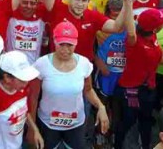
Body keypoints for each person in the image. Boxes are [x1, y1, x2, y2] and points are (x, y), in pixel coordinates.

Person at [29, 21, 110, 149]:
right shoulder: (41, 64)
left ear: (76, 43)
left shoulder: (84, 64)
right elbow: (33, 97)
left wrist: (100, 106)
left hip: (76, 125)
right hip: (48, 124)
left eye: (70, 45)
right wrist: (32, 128)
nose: (65, 50)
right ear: (54, 41)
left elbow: (88, 90)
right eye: (61, 44)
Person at [114, 8, 163, 149]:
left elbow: (157, 56)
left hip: (148, 88)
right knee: (128, 121)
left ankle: (145, 146)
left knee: (146, 120)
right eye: (162, 22)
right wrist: (128, 2)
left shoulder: (152, 36)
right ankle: (117, 145)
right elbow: (131, 32)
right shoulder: (134, 41)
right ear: (156, 27)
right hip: (131, 90)